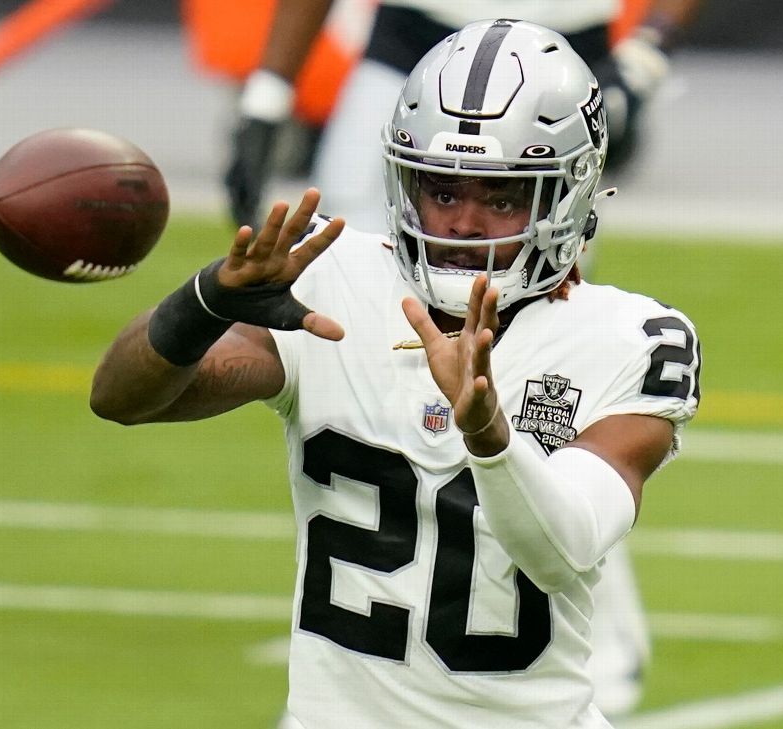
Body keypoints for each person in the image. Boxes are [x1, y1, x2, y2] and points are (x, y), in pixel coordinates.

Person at [95, 20, 701, 728]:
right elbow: (121, 397)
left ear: (566, 195)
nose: (465, 224)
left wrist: (488, 433)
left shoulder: (630, 336)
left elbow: (562, 547)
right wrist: (207, 298)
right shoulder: (337, 280)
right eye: (442, 190)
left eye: (501, 198)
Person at [225, 0, 705, 233]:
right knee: (349, 254)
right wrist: (266, 101)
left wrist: (644, 57)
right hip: (410, 48)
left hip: (559, 57)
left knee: (540, 281)